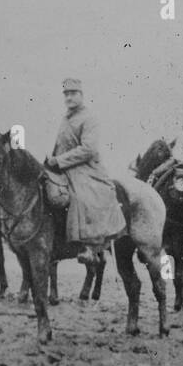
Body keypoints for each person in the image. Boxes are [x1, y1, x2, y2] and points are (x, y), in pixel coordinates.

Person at [44, 78, 124, 260]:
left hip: (86, 168)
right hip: (64, 167)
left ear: (81, 95)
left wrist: (60, 160)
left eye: (73, 93)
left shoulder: (89, 118)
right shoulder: (65, 118)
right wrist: (51, 160)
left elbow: (88, 149)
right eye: (66, 94)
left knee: (81, 196)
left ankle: (89, 245)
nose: (69, 98)